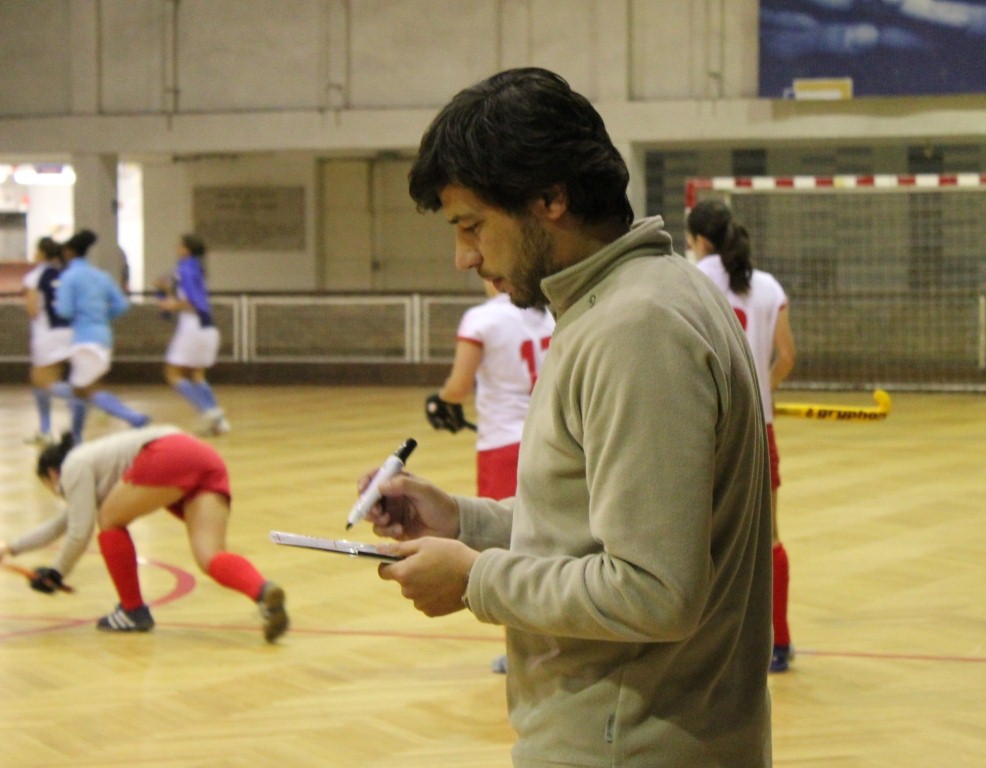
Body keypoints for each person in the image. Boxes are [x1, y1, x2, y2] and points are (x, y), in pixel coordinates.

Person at [363, 68, 773, 767]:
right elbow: (593, 525)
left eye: (472, 226)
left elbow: (654, 591)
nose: (464, 257)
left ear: (551, 198)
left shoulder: (635, 326)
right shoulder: (644, 294)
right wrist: (463, 521)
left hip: (627, 745)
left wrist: (475, 579)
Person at [0, 426, 288, 643]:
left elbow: (79, 530)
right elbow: (64, 523)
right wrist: (11, 548)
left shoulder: (73, 466)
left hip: (167, 453)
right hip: (203, 456)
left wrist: (57, 572)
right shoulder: (96, 464)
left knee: (109, 520)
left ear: (52, 474)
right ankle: (263, 591)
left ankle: (132, 610)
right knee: (210, 555)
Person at [686, 199, 797, 673]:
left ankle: (711, 646)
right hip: (759, 428)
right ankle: (778, 643)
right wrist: (761, 392)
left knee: (701, 539)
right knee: (768, 539)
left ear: (698, 240)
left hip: (703, 428)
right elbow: (787, 356)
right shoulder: (768, 286)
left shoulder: (688, 280)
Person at [427, 279, 554, 501]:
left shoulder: (482, 318)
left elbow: (459, 388)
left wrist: (439, 401)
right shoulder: (547, 316)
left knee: (498, 521)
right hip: (549, 440)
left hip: (503, 444)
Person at [53, 229, 150, 443]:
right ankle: (76, 437)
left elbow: (64, 311)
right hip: (103, 337)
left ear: (69, 252)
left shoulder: (69, 277)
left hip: (83, 339)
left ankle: (133, 417)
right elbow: (122, 304)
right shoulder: (101, 276)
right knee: (82, 390)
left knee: (83, 391)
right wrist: (102, 316)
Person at [157, 234, 230, 436]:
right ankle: (219, 423)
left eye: (179, 245)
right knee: (197, 374)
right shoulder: (199, 269)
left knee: (172, 373)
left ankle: (209, 411)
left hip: (192, 327)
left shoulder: (185, 269)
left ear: (186, 250)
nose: (176, 248)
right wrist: (168, 292)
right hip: (208, 327)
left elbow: (192, 302)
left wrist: (170, 305)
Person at [22, 236, 73, 444]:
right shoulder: (65, 273)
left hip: (46, 334)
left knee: (41, 380)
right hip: (67, 332)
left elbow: (33, 310)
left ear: (42, 253)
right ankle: (44, 429)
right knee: (46, 380)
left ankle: (85, 397)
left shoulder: (35, 276)